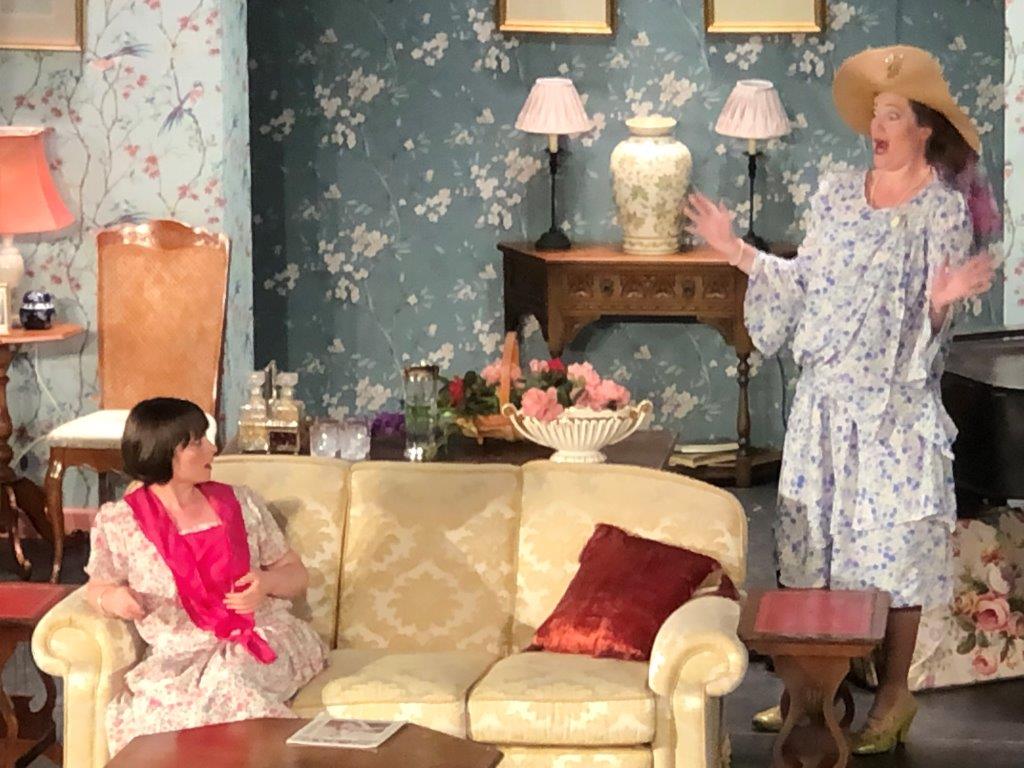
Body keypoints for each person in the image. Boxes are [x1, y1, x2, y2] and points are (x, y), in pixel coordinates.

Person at [684, 45, 997, 755]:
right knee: (811, 548)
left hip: (894, 412)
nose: (877, 128)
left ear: (924, 128)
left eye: (894, 115)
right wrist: (735, 250)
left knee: (894, 551)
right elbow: (803, 282)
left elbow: (932, 323)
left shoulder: (942, 211)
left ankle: (894, 694)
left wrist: (941, 302)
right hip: (825, 405)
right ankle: (808, 693)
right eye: (875, 115)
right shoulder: (834, 194)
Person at [84, 397, 327, 756]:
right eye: (197, 442)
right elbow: (96, 587)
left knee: (229, 685)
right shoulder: (120, 522)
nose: (212, 449)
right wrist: (113, 599)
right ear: (162, 451)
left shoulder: (240, 504)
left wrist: (266, 584)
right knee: (157, 713)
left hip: (261, 637)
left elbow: (296, 574)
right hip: (180, 658)